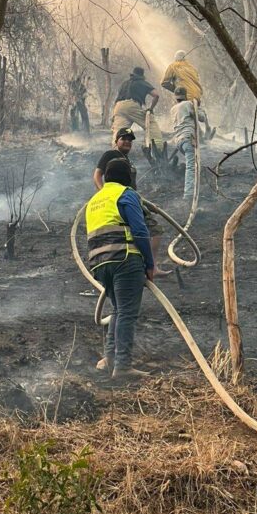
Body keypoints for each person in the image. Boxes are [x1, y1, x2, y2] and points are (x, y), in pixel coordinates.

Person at [85, 157, 154, 380]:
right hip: (125, 259)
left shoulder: (95, 199)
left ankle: (111, 360)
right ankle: (123, 365)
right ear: (127, 177)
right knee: (126, 312)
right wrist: (150, 263)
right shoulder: (126, 194)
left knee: (117, 310)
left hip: (99, 264)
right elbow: (140, 231)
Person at [93, 128, 170, 275]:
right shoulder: (110, 154)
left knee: (151, 230)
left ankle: (147, 266)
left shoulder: (127, 161)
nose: (127, 142)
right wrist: (104, 193)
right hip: (119, 201)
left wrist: (147, 205)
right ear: (116, 141)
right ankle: (148, 267)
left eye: (130, 140)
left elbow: (131, 189)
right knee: (150, 230)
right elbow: (97, 175)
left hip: (130, 199)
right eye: (123, 139)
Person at [161, 51, 213, 138]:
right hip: (197, 94)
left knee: (185, 114)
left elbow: (164, 83)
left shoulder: (173, 66)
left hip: (185, 95)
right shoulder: (192, 67)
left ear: (175, 58)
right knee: (195, 111)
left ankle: (195, 134)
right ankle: (206, 128)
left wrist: (176, 90)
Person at [111, 66, 164, 150]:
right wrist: (151, 108)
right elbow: (156, 95)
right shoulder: (142, 82)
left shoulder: (125, 83)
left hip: (118, 107)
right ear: (142, 76)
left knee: (119, 132)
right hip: (131, 105)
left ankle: (116, 151)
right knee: (151, 123)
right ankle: (158, 148)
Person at [171, 87, 205, 201]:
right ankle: (189, 194)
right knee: (191, 166)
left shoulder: (173, 108)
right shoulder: (188, 104)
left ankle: (193, 189)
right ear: (185, 96)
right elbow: (202, 118)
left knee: (192, 164)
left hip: (178, 141)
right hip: (188, 138)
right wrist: (198, 106)